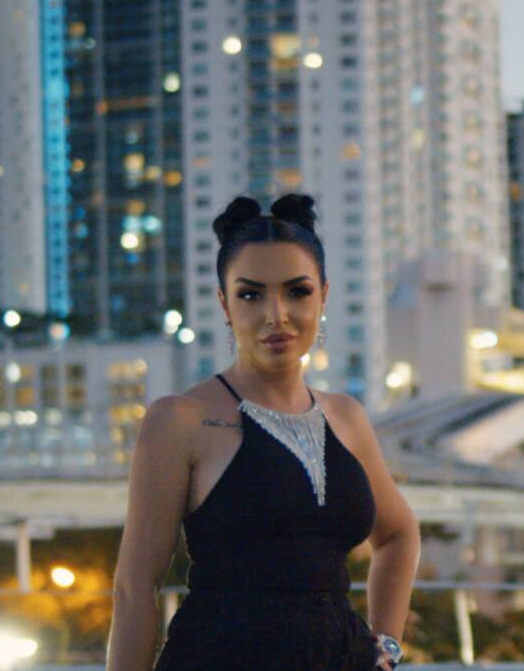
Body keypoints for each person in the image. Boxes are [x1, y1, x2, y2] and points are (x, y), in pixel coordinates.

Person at [108, 194, 420, 670]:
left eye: (297, 292)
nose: (277, 314)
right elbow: (135, 590)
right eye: (251, 295)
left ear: (324, 295)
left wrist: (388, 647)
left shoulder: (346, 417)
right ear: (224, 303)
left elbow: (398, 534)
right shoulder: (180, 419)